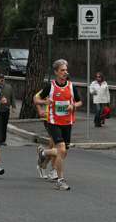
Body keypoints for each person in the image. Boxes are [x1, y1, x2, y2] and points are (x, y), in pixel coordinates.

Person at [34, 59, 82, 191]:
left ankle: (43, 153)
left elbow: (79, 102)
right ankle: (60, 180)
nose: (65, 72)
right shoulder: (51, 87)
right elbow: (36, 99)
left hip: (67, 123)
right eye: (62, 70)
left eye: (66, 70)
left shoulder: (71, 86)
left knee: (64, 151)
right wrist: (45, 102)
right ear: (56, 72)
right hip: (53, 122)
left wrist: (73, 106)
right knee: (60, 148)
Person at [34, 89, 58, 181]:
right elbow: (35, 97)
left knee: (56, 147)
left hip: (63, 121)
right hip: (50, 119)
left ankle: (42, 163)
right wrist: (40, 110)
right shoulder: (51, 88)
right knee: (55, 145)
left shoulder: (68, 88)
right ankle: (53, 169)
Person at [0, 74, 16, 146]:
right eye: (0, 78)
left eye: (3, 78)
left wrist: (13, 106)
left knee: (4, 125)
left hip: (6, 109)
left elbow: (12, 97)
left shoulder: (9, 87)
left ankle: (3, 140)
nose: (2, 80)